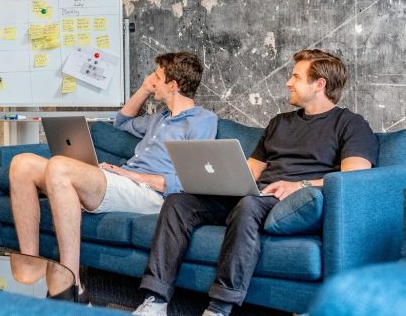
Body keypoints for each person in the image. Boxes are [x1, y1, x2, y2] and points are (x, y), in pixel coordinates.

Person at [132, 49, 379, 316]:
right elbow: (250, 170)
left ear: (320, 84)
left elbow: (353, 178)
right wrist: (217, 181)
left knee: (249, 204)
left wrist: (300, 185)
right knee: (179, 202)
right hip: (259, 196)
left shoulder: (350, 124)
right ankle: (156, 301)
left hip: (295, 202)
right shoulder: (279, 123)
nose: (288, 82)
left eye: (296, 76)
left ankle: (218, 308)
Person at [9, 52, 218, 302]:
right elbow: (121, 121)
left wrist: (134, 175)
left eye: (157, 76)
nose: (151, 79)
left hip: (151, 195)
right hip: (124, 183)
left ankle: (72, 285)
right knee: (22, 164)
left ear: (173, 86)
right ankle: (31, 262)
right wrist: (143, 89)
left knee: (60, 167)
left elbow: (189, 180)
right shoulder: (159, 119)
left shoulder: (202, 121)